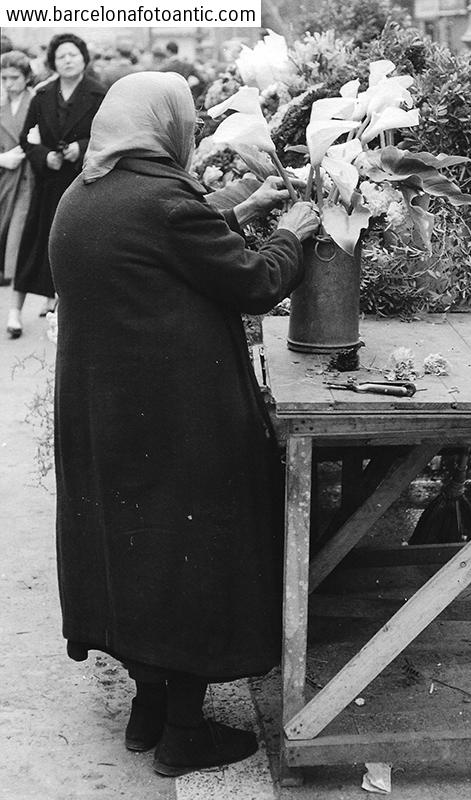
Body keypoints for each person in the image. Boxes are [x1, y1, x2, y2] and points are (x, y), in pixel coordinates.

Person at [48, 71, 319, 777]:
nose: (192, 129)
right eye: (187, 119)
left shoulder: (86, 194)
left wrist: (244, 206)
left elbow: (167, 249)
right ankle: (183, 733)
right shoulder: (164, 201)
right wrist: (288, 232)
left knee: (137, 559)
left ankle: (148, 711)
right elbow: (254, 282)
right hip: (179, 421)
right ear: (162, 124)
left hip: (107, 419)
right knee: (191, 562)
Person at [6, 33, 105, 338]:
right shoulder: (43, 95)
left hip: (80, 183)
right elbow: (26, 137)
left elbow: (108, 134)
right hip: (47, 183)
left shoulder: (98, 94)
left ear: (84, 58)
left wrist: (82, 146)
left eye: (73, 54)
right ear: (52, 62)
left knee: (71, 248)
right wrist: (43, 155)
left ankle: (63, 312)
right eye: (61, 55)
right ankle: (15, 312)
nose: (67, 60)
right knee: (33, 244)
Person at [0, 51, 34, 288]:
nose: (9, 84)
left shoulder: (36, 101)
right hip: (4, 172)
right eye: (4, 78)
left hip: (27, 176)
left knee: (18, 229)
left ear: (26, 77)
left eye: (14, 77)